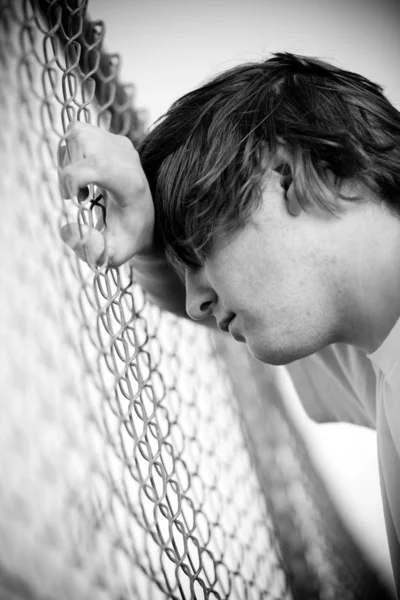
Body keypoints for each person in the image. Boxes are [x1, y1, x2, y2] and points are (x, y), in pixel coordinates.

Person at [58, 52, 400, 594]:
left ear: (290, 176)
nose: (195, 305)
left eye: (195, 250)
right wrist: (150, 236)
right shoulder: (377, 347)